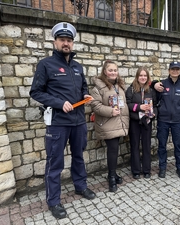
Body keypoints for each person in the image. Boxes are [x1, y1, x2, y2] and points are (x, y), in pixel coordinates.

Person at [30, 22, 96, 219]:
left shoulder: (77, 67)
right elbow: (36, 92)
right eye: (62, 40)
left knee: (78, 156)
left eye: (69, 40)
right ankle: (54, 201)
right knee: (55, 162)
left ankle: (80, 186)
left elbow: (83, 86)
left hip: (78, 121)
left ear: (72, 43)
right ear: (55, 42)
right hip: (58, 122)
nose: (66, 43)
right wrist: (59, 103)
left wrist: (85, 94)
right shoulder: (45, 65)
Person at [89, 60, 129, 192]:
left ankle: (113, 173)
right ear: (105, 72)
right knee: (112, 150)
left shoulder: (120, 86)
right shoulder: (98, 88)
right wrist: (110, 111)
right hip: (107, 123)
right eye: (110, 70)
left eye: (115, 70)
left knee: (115, 149)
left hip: (119, 123)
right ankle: (111, 176)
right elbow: (95, 105)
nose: (113, 72)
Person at [155, 61, 180, 179]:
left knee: (178, 145)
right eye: (172, 69)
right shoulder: (162, 84)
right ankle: (162, 167)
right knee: (162, 145)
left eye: (177, 69)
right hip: (163, 120)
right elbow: (156, 99)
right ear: (169, 71)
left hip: (178, 121)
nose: (175, 71)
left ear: (179, 71)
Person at [125, 67, 157, 179]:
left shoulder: (151, 91)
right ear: (137, 77)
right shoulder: (131, 89)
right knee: (134, 146)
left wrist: (153, 114)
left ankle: (147, 170)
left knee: (146, 145)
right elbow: (127, 104)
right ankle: (136, 170)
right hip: (135, 121)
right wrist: (139, 107)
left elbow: (156, 105)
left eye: (145, 76)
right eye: (141, 75)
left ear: (147, 77)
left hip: (147, 121)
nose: (143, 77)